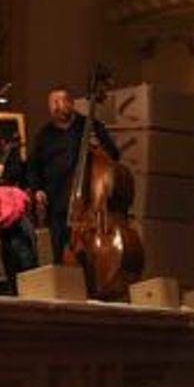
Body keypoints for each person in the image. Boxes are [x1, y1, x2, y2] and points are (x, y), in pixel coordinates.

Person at [25, 85, 119, 262]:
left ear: (71, 103)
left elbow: (114, 155)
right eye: (52, 103)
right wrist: (37, 189)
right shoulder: (44, 135)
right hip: (57, 202)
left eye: (60, 101)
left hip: (89, 204)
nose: (56, 106)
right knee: (59, 252)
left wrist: (99, 147)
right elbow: (32, 167)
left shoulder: (90, 126)